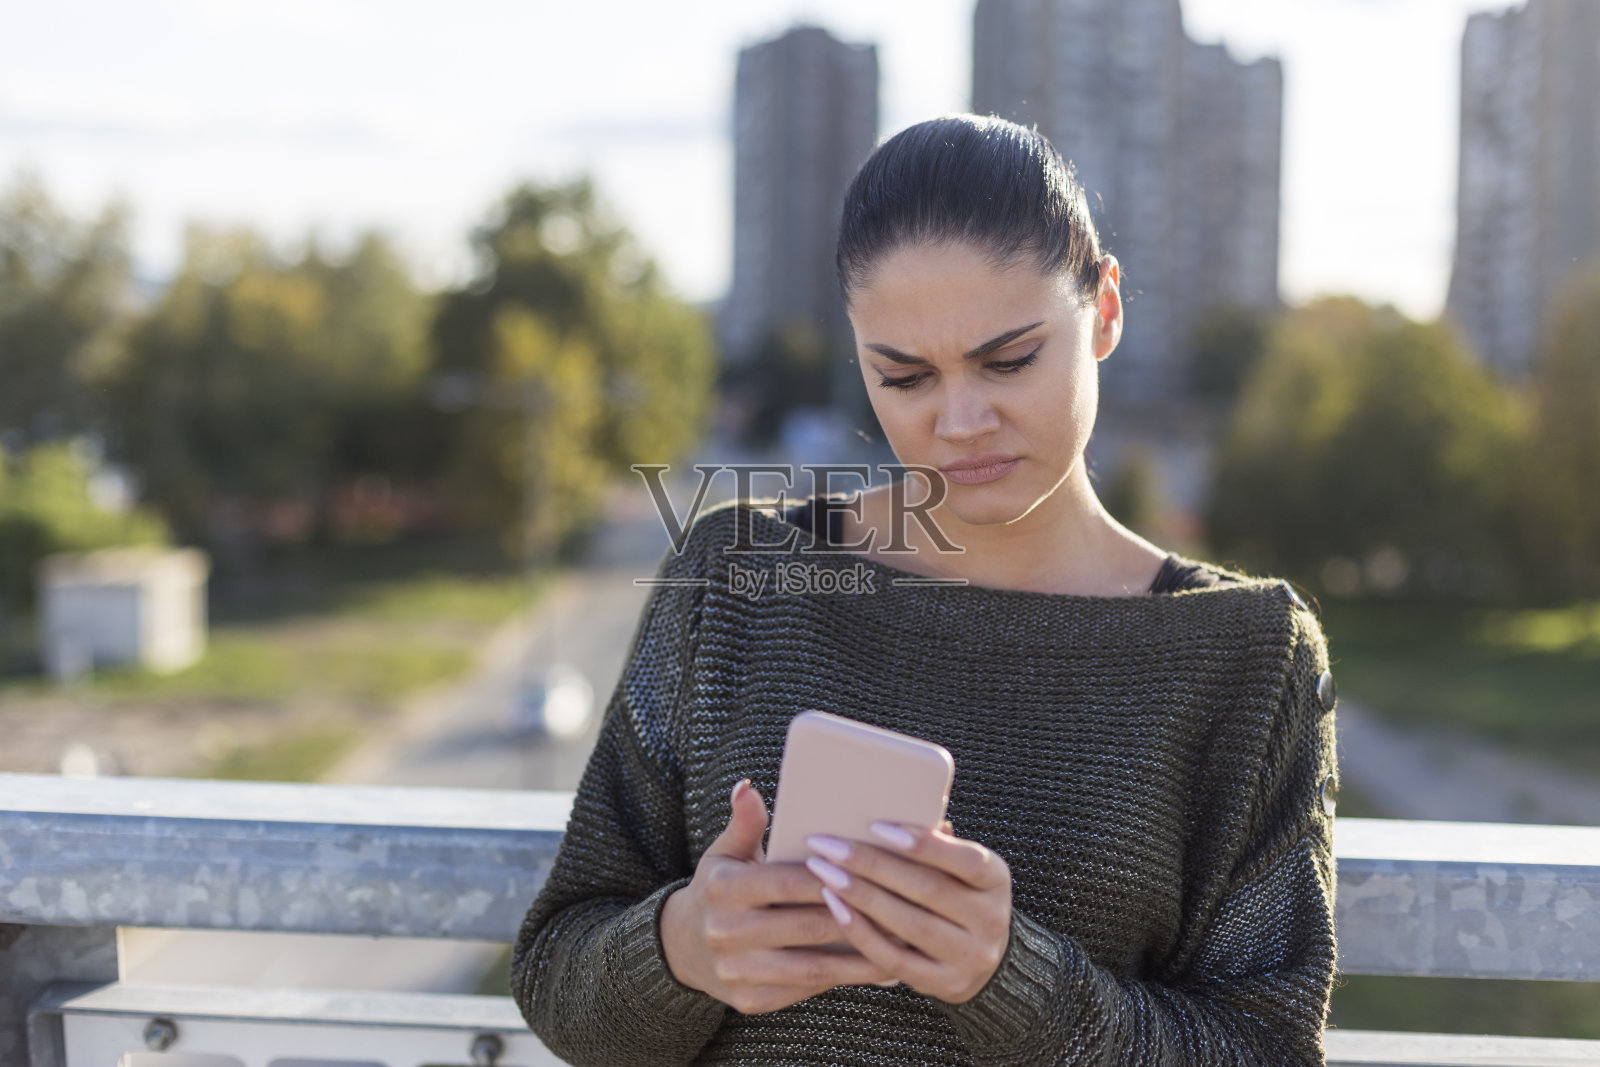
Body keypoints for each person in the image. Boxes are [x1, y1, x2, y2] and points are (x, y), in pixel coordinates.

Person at [510, 114, 1340, 1066]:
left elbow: (1264, 1050)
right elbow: (553, 973)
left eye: (1010, 359)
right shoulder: (734, 580)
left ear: (1105, 309)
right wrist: (683, 948)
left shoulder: (1247, 658)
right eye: (903, 376)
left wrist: (1010, 976)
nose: (961, 420)